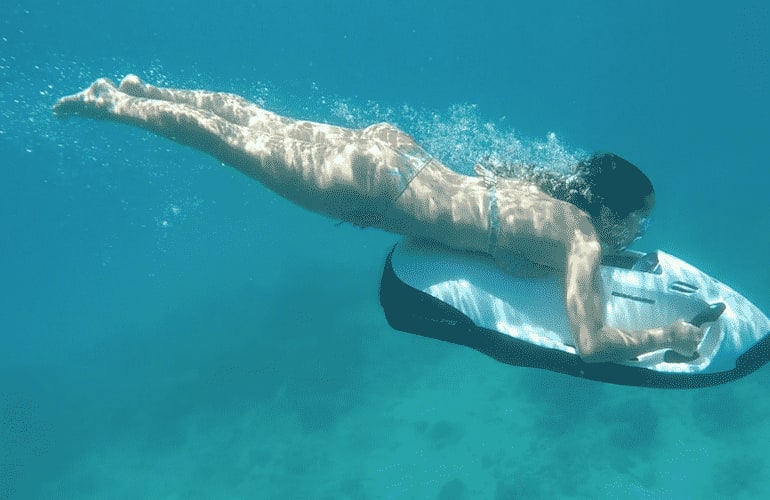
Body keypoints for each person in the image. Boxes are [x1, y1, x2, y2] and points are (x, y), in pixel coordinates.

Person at [53, 75, 705, 363]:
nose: (640, 234)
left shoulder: (557, 198)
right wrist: (667, 335)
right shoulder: (582, 241)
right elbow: (590, 343)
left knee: (257, 121)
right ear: (611, 213)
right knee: (228, 144)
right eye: (638, 221)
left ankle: (146, 88)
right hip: (373, 186)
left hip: (396, 151)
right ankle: (113, 107)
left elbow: (483, 205)